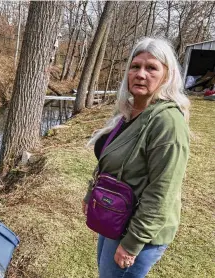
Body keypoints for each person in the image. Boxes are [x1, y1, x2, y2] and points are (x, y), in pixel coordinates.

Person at [82, 37, 190, 278]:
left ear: (167, 75)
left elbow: (162, 191)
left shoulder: (168, 123)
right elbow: (108, 160)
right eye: (135, 66)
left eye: (151, 68)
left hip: (138, 230)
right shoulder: (131, 111)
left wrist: (132, 243)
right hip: (117, 216)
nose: (141, 74)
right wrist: (92, 193)